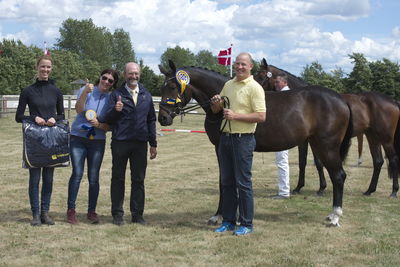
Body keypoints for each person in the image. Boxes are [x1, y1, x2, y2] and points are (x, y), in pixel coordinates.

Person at [210, 52, 266, 235]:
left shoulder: (255, 88)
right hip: (226, 138)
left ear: (251, 67)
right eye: (237, 64)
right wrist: (216, 103)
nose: (239, 67)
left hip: (244, 139)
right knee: (226, 182)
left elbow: (261, 116)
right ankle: (228, 220)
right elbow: (217, 109)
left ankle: (247, 223)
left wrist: (236, 116)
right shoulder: (228, 84)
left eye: (243, 64)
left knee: (243, 183)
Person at [104, 62, 157, 226]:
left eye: (136, 73)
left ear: (139, 74)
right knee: (118, 178)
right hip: (120, 142)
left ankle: (137, 214)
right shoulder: (116, 95)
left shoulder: (146, 95)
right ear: (125, 74)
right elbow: (108, 119)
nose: (133, 76)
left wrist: (153, 143)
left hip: (140, 143)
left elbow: (151, 120)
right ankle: (117, 214)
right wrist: (116, 110)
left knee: (139, 180)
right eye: (130, 73)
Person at [15, 54, 65, 226]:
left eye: (48, 67)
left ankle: (45, 213)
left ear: (51, 69)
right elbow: (18, 116)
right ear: (37, 68)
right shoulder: (27, 91)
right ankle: (35, 214)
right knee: (35, 178)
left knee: (49, 178)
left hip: (51, 139)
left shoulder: (56, 91)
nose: (45, 70)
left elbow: (62, 115)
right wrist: (33, 117)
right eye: (42, 67)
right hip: (34, 139)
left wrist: (55, 119)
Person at [66, 69, 119, 224]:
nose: (106, 82)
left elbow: (110, 126)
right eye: (104, 78)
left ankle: (91, 211)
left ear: (113, 84)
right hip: (77, 138)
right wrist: (84, 93)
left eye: (110, 81)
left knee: (94, 177)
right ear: (100, 77)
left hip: (97, 141)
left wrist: (100, 125)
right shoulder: (86, 89)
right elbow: (79, 109)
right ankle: (71, 210)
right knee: (77, 173)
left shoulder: (111, 99)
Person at [271, 73, 290, 199]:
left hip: (283, 132)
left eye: (278, 82)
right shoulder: (283, 94)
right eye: (275, 82)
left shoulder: (285, 95)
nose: (276, 84)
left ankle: (284, 191)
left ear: (285, 82)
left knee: (282, 160)